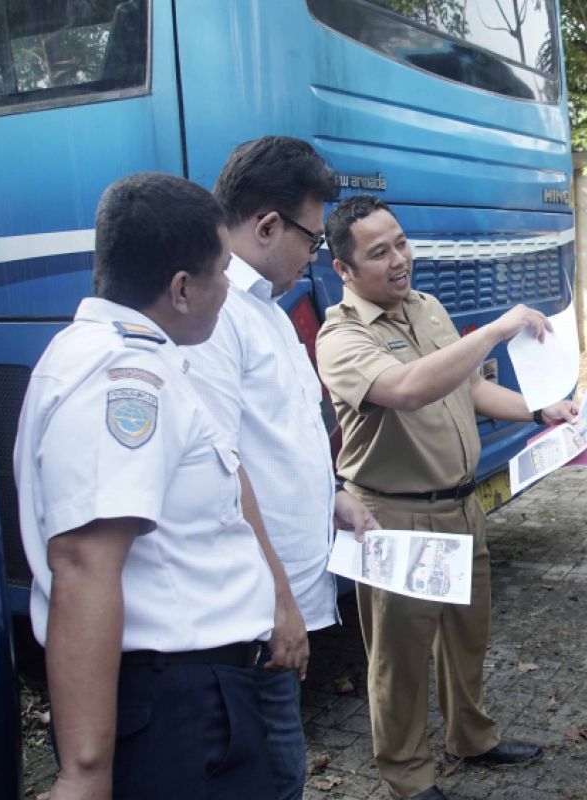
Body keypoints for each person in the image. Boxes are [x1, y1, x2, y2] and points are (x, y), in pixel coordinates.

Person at [14, 172, 276, 799]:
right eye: (222, 273)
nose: (228, 292)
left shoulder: (123, 355)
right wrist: (85, 774)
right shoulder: (125, 379)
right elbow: (83, 561)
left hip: (189, 695)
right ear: (182, 288)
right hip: (177, 708)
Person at [316, 194, 579, 800]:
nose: (399, 260)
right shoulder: (342, 337)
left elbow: (469, 388)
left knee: (466, 637)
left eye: (401, 243)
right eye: (378, 253)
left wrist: (540, 411)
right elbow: (407, 389)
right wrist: (493, 330)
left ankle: (472, 737)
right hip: (395, 516)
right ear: (345, 269)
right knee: (400, 658)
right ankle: (408, 775)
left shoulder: (428, 308)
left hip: (463, 507)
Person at [183, 135, 378, 800]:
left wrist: (333, 498)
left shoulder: (265, 307)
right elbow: (218, 472)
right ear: (267, 224)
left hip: (282, 599)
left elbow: (278, 440)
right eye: (313, 239)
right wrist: (278, 604)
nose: (316, 255)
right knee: (272, 776)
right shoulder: (214, 316)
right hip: (255, 615)